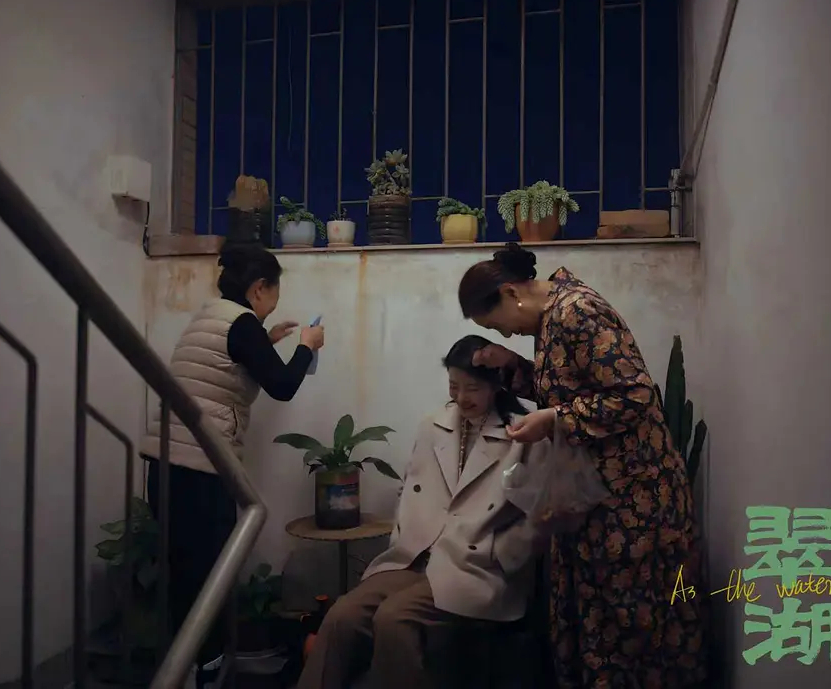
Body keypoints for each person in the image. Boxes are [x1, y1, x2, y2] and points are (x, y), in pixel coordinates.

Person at [457, 243, 707, 689]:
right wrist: (511, 365)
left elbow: (635, 395)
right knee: (597, 625)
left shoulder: (577, 311)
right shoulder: (549, 320)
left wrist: (554, 420)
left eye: (497, 325)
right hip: (595, 501)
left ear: (511, 293)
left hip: (634, 501)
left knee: (633, 628)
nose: (506, 333)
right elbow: (570, 388)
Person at [297, 335, 551, 689]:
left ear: (497, 385)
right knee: (343, 615)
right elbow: (409, 488)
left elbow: (538, 516)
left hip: (476, 565)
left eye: (473, 388)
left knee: (394, 619)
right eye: (454, 386)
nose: (461, 397)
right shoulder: (433, 426)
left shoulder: (523, 434)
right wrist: (405, 534)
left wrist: (500, 554)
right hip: (416, 556)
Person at [140, 244, 324, 682]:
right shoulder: (242, 325)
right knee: (210, 577)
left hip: (167, 464)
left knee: (185, 576)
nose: (273, 304)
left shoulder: (213, 316)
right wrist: (306, 346)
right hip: (200, 472)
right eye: (274, 294)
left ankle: (185, 669)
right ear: (259, 288)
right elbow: (282, 386)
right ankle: (207, 670)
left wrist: (268, 340)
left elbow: (227, 365)